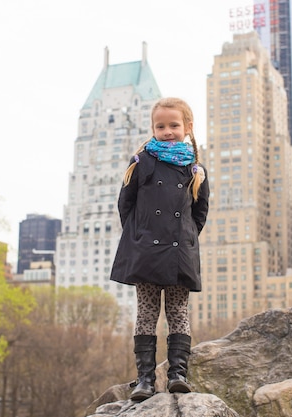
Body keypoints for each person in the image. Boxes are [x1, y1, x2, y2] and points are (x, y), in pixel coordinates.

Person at [110, 97, 209, 401]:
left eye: (174, 125)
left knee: (178, 311)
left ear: (187, 127)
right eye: (161, 126)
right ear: (153, 128)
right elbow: (125, 204)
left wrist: (185, 237)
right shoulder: (142, 162)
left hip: (179, 252)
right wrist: (139, 237)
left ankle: (178, 374)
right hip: (146, 251)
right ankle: (145, 380)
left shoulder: (195, 168)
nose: (168, 131)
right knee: (146, 313)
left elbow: (200, 212)